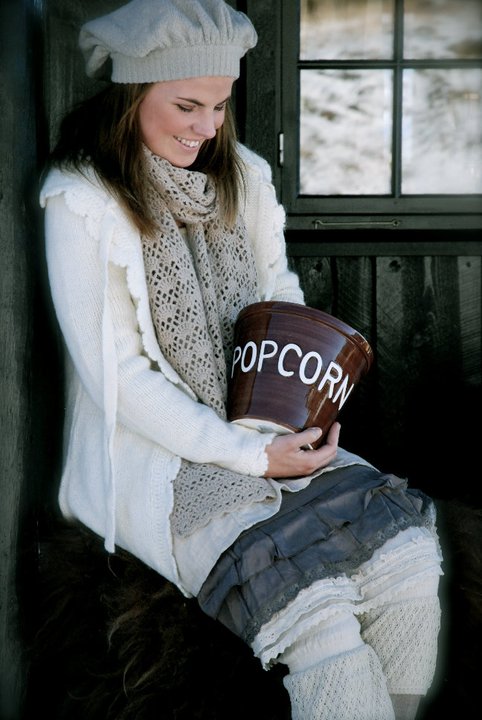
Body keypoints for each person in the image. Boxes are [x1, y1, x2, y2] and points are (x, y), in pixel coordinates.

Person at [39, 1, 443, 718]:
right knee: (319, 617)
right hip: (160, 462)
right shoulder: (83, 203)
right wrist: (252, 457)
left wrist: (300, 412)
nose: (206, 127)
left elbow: (277, 295)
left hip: (259, 427)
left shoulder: (243, 178)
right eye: (186, 106)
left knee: (409, 566)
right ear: (131, 95)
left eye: (219, 106)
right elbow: (119, 378)